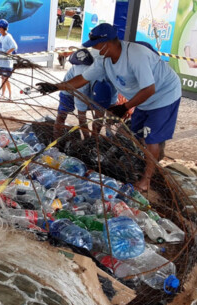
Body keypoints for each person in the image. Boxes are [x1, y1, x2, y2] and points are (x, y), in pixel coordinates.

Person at [37, 23, 182, 192]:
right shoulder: (103, 59)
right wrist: (56, 86)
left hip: (163, 95)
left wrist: (125, 107)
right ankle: (143, 162)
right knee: (135, 133)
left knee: (152, 137)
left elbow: (150, 89)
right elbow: (83, 79)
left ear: (107, 44)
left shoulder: (136, 56)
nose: (94, 49)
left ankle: (146, 180)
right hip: (143, 98)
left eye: (96, 46)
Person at [53, 48, 116, 140]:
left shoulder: (112, 85)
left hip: (97, 90)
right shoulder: (82, 88)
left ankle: (98, 138)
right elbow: (81, 117)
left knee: (102, 116)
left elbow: (100, 117)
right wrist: (87, 140)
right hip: (70, 86)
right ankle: (56, 144)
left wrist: (96, 138)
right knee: (62, 115)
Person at [0, 19, 17, 100]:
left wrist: (7, 53)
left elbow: (14, 46)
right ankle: (3, 94)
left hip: (6, 62)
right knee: (2, 78)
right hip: (1, 61)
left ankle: (10, 95)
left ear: (3, 28)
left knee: (6, 78)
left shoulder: (8, 37)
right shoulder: (1, 37)